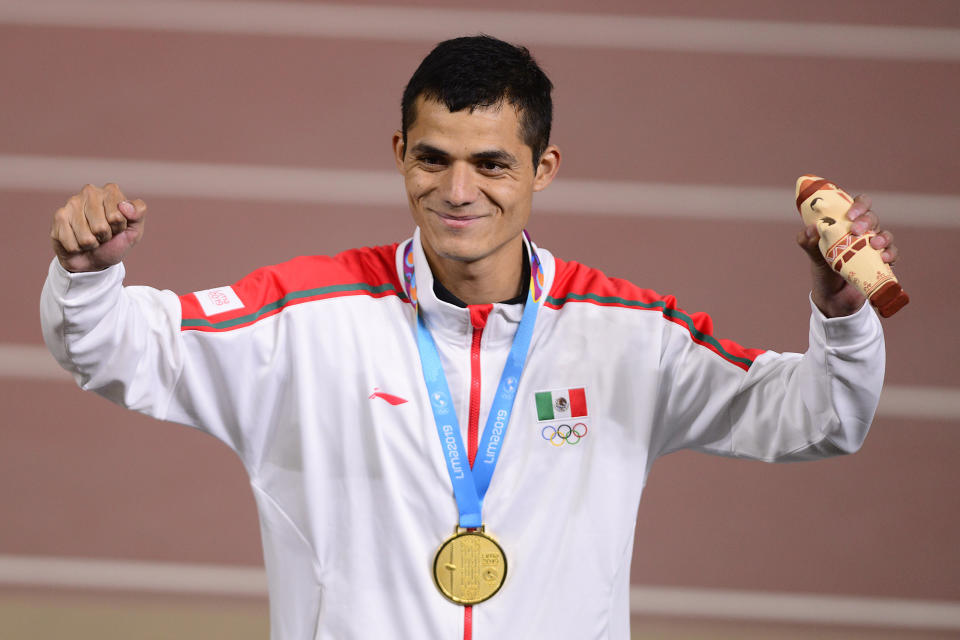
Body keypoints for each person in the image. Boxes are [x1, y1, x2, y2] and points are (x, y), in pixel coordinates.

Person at [41, 36, 896, 640]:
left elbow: (822, 417)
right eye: (432, 158)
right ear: (398, 153)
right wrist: (87, 273)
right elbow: (114, 345)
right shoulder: (306, 319)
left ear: (542, 169)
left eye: (491, 164)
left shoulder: (629, 335)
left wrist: (840, 309)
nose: (458, 191)